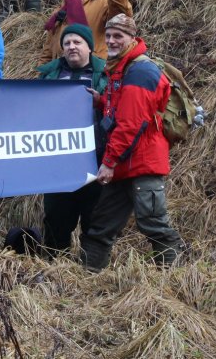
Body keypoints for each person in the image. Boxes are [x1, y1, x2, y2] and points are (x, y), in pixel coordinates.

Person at [79, 14, 186, 271]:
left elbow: (130, 124)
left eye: (119, 36)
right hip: (125, 165)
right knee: (101, 226)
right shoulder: (122, 68)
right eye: (110, 36)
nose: (113, 41)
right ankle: (87, 277)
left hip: (142, 164)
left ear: (132, 38)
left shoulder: (140, 71)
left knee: (154, 225)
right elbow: (124, 110)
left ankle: (176, 277)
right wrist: (102, 101)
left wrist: (108, 162)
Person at [4, 24, 108, 256]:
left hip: (95, 158)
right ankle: (53, 266)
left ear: (89, 47)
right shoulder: (49, 75)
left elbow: (118, 110)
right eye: (67, 43)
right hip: (58, 162)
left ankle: (92, 268)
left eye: (77, 42)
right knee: (56, 217)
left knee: (94, 217)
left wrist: (101, 102)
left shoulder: (104, 75)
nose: (71, 47)